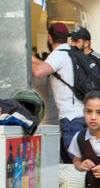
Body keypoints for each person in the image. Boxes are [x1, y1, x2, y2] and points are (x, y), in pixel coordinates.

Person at [32, 21, 84, 166]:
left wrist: (23, 59)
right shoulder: (72, 53)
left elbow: (38, 71)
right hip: (81, 113)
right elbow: (44, 66)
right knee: (80, 159)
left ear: (49, 38)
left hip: (70, 117)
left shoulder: (58, 54)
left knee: (75, 162)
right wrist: (34, 59)